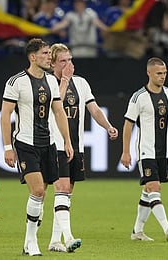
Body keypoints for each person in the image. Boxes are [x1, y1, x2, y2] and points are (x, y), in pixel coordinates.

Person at [0, 38, 74, 256]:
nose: (48, 57)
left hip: (48, 143)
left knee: (42, 194)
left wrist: (67, 141)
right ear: (33, 57)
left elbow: (59, 112)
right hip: (25, 143)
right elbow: (5, 116)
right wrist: (7, 146)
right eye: (44, 54)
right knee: (38, 190)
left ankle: (27, 242)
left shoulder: (51, 81)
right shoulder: (16, 82)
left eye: (49, 53)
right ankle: (32, 242)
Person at [48, 43, 119, 253]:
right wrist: (65, 80)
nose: (69, 64)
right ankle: (68, 238)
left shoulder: (81, 83)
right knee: (60, 189)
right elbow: (55, 104)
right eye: (63, 61)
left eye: (70, 59)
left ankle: (54, 241)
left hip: (75, 145)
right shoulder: (48, 82)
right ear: (52, 64)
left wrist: (107, 126)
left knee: (67, 193)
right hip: (56, 144)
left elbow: (94, 109)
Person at [120, 57, 168, 242]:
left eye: (165, 73)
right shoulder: (139, 97)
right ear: (149, 73)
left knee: (148, 190)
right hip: (145, 151)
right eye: (159, 73)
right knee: (154, 187)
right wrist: (126, 151)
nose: (163, 77)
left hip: (162, 151)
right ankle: (167, 228)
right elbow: (128, 125)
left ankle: (137, 232)